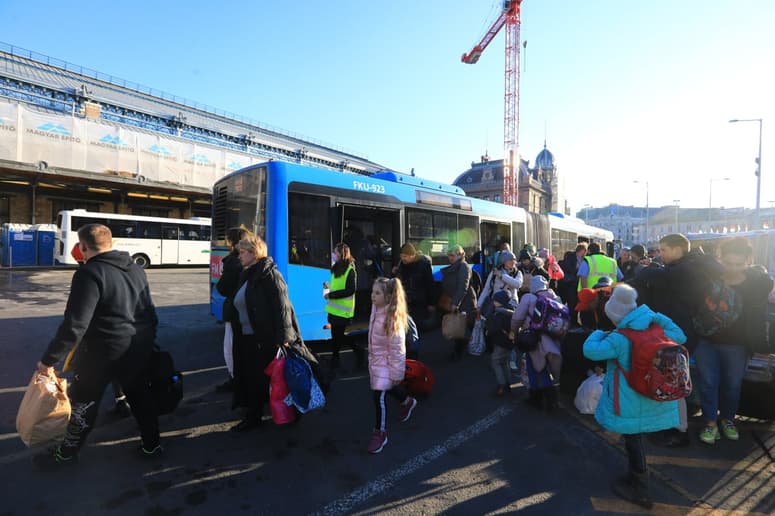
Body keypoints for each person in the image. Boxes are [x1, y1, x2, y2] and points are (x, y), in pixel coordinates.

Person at [34, 223, 160, 469]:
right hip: (136, 347)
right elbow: (149, 311)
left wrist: (48, 360)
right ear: (110, 242)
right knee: (141, 397)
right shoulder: (136, 268)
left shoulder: (90, 273)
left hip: (100, 354)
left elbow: (75, 325)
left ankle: (66, 455)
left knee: (83, 404)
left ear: (82, 246)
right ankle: (152, 445)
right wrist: (146, 342)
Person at [583, 284, 687, 509]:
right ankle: (635, 478)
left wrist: (598, 333)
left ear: (615, 315)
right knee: (635, 441)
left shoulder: (619, 338)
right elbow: (680, 335)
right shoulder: (657, 329)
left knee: (634, 441)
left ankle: (640, 489)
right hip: (654, 394)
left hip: (630, 400)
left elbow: (591, 351)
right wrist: (656, 316)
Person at [629, 233, 715, 447]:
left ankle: (679, 430)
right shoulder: (687, 267)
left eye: (664, 250)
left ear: (678, 249)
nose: (660, 254)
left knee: (673, 380)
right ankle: (673, 425)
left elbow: (657, 276)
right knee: (673, 379)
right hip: (680, 332)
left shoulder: (686, 269)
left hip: (681, 333)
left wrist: (643, 270)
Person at [695, 237, 773, 445]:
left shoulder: (759, 282)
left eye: (739, 264)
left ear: (748, 261)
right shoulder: (709, 277)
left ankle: (727, 420)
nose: (733, 268)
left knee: (732, 385)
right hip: (706, 340)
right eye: (728, 263)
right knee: (708, 383)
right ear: (720, 258)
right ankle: (711, 423)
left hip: (738, 344)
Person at [228, 235, 302, 432]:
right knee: (252, 379)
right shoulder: (247, 273)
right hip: (246, 337)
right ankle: (254, 415)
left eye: (243, 252)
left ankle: (288, 411)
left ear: (254, 253)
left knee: (274, 379)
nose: (240, 256)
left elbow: (282, 307)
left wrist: (284, 338)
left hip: (264, 339)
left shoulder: (269, 274)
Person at [367, 277, 417, 454]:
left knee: (378, 396)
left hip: (386, 364)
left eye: (377, 293)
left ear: (388, 297)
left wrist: (397, 373)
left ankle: (380, 433)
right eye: (372, 292)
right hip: (377, 361)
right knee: (387, 388)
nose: (373, 296)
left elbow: (397, 350)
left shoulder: (391, 319)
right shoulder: (376, 309)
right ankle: (408, 401)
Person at [510, 276, 564, 409]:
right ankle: (552, 399)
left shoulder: (528, 297)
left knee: (535, 367)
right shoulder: (555, 297)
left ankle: (537, 398)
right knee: (547, 365)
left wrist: (514, 331)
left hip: (534, 338)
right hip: (552, 337)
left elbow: (517, 318)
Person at [215, 227, 251, 392]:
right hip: (244, 311)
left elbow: (222, 288)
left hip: (234, 311)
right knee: (240, 348)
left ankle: (235, 380)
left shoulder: (233, 262)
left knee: (230, 349)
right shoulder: (248, 261)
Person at [325, 242, 363, 370]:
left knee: (339, 337)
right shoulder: (335, 268)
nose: (333, 255)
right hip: (333, 309)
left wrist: (332, 295)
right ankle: (336, 359)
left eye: (335, 252)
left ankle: (357, 351)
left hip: (343, 311)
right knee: (336, 336)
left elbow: (350, 290)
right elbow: (337, 286)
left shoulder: (350, 270)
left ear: (341, 254)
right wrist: (328, 287)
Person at [440, 245, 476, 360]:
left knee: (464, 326)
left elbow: (463, 287)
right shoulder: (454, 266)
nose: (450, 258)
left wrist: (456, 303)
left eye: (452, 255)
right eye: (449, 255)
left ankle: (459, 352)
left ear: (460, 255)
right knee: (461, 327)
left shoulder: (463, 267)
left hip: (464, 302)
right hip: (457, 301)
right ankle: (459, 351)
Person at [392, 243, 435, 328]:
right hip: (405, 300)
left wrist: (431, 303)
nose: (403, 258)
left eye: (405, 256)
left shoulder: (423, 264)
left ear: (412, 255)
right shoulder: (401, 264)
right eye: (401, 256)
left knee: (416, 326)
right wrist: (395, 273)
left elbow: (429, 284)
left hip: (419, 301)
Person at [487, 290, 516, 396]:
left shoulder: (500, 313)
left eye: (496, 300)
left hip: (501, 341)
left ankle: (501, 385)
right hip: (509, 341)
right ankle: (508, 383)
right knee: (504, 362)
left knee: (495, 361)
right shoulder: (511, 310)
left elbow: (494, 328)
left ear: (501, 301)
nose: (494, 302)